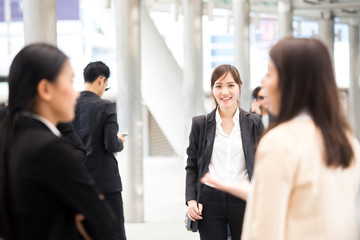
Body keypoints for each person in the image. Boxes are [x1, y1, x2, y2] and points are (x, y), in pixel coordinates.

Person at [202, 37, 360, 240]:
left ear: (291, 82)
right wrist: (257, 193)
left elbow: (264, 232)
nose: (262, 81)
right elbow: (314, 209)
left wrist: (260, 200)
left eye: (269, 72)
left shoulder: (280, 142)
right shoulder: (348, 142)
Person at [0, 43, 116, 239]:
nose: (75, 93)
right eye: (69, 82)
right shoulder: (50, 149)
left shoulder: (9, 136)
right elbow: (103, 222)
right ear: (45, 89)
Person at [185, 64, 264, 240]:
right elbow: (192, 166)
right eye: (218, 86)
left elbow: (262, 164)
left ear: (239, 87)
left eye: (230, 85)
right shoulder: (200, 124)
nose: (224, 92)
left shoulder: (254, 123)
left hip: (243, 198)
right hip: (209, 200)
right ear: (213, 90)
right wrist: (191, 201)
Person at [72, 61, 126, 240]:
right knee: (114, 231)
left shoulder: (69, 105)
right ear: (101, 80)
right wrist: (120, 141)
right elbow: (111, 145)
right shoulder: (105, 107)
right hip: (105, 181)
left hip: (78, 180)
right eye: (106, 86)